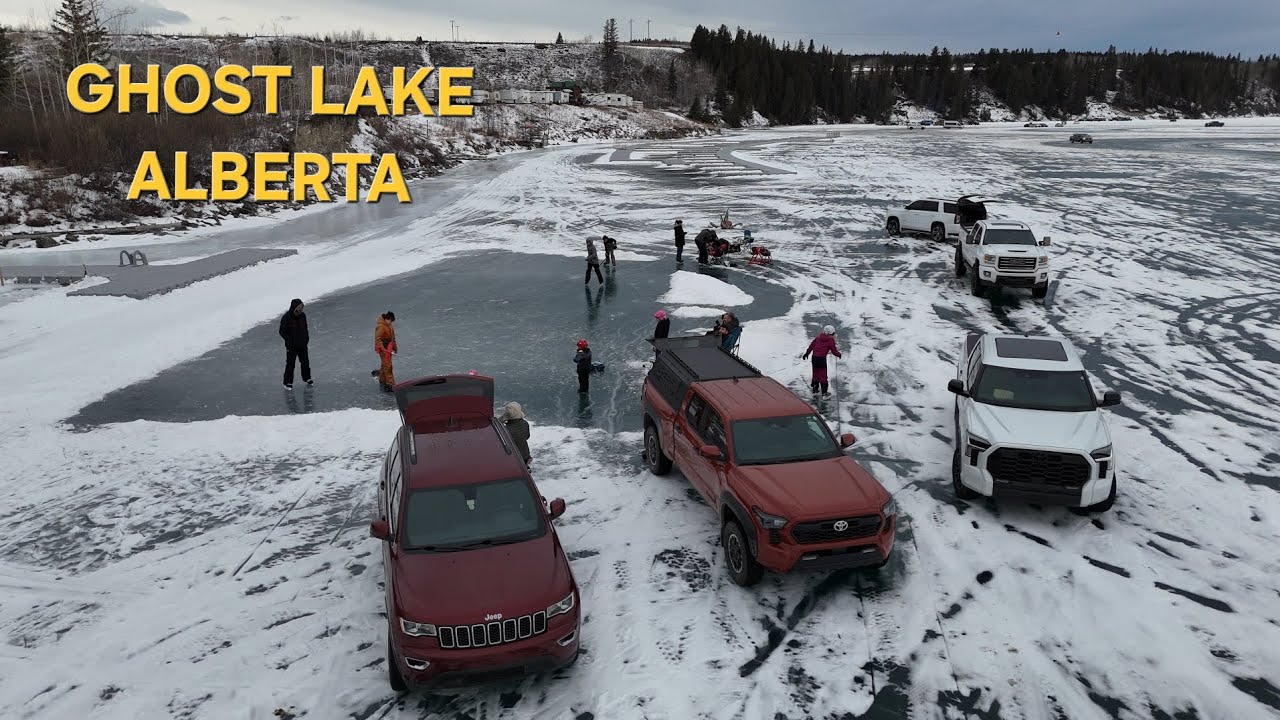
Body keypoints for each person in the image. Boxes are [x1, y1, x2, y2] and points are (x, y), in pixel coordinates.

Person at [278, 298, 312, 389]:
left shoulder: (303, 316)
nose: (300, 309)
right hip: (292, 346)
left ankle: (307, 378)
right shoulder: (286, 317)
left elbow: (305, 329)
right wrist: (289, 341)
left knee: (305, 362)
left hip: (302, 344)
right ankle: (287, 382)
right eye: (299, 307)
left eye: (301, 307)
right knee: (290, 364)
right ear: (294, 307)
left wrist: (306, 339)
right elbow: (282, 331)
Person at [802, 324, 841, 397]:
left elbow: (811, 346)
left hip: (814, 358)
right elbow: (834, 351)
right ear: (830, 333)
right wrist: (839, 354)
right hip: (821, 359)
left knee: (815, 373)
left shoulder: (818, 337)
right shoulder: (830, 340)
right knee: (823, 376)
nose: (833, 335)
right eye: (832, 333)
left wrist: (806, 353)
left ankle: (815, 389)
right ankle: (824, 393)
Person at [371, 311, 397, 392]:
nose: (391, 323)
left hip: (388, 347)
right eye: (390, 321)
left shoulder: (389, 324)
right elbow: (378, 339)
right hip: (383, 348)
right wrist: (383, 349)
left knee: (385, 364)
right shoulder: (381, 326)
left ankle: (382, 379)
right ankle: (390, 384)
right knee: (388, 365)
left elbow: (393, 336)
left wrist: (395, 347)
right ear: (386, 319)